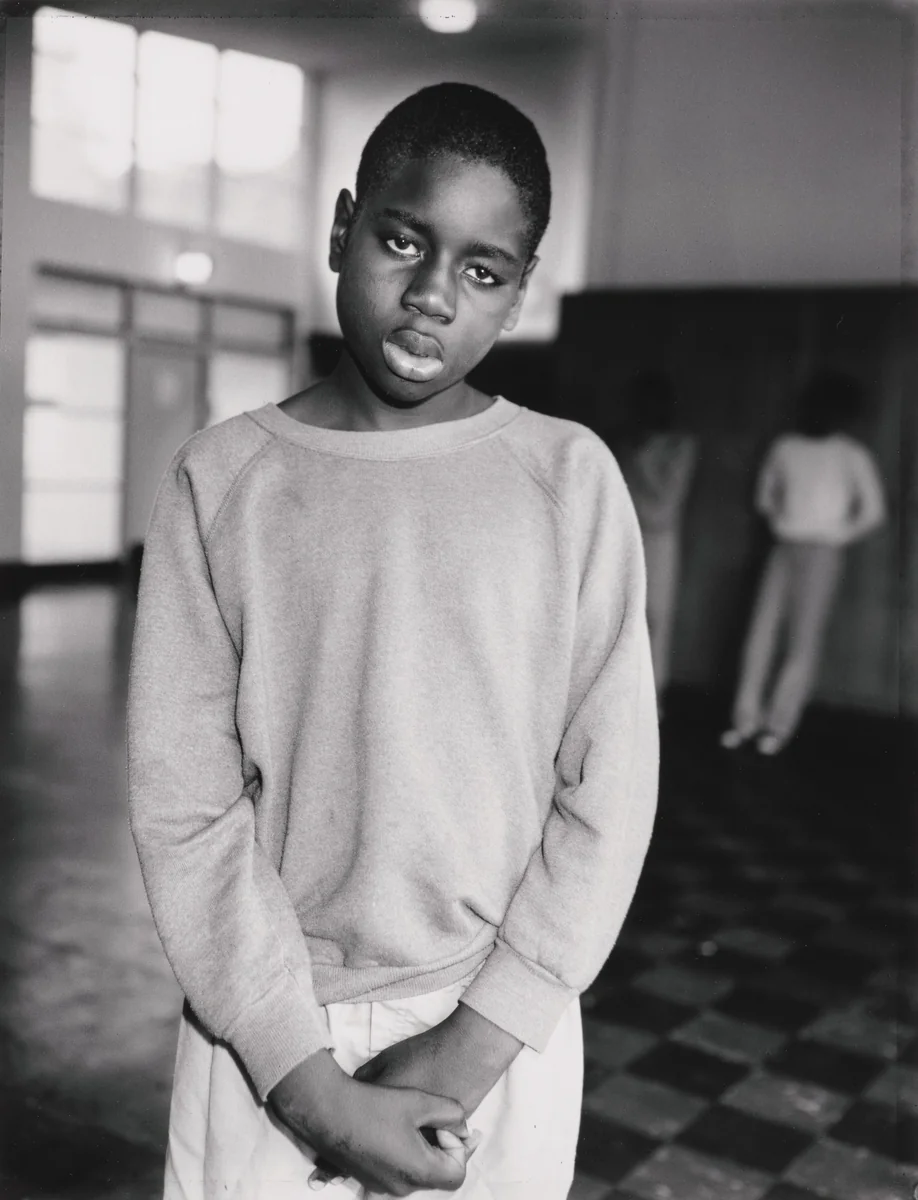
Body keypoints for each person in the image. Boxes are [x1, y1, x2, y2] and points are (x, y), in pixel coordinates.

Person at [128, 82, 658, 1200]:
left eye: (481, 270)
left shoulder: (567, 481)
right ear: (341, 227)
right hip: (263, 1025)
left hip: (496, 1024)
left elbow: (610, 795)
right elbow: (185, 805)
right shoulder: (223, 481)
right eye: (403, 240)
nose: (429, 298)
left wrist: (474, 1045)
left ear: (519, 293)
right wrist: (305, 1084)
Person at [720, 369, 886, 756]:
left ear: (844, 414)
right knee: (760, 632)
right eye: (817, 406)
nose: (823, 414)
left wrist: (833, 536)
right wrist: (782, 523)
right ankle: (745, 721)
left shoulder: (851, 454)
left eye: (833, 409)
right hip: (784, 548)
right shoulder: (786, 447)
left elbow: (873, 511)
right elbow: (764, 496)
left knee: (802, 641)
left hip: (823, 555)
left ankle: (778, 726)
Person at [614, 371, 697, 709]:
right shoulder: (623, 441)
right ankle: (618, 693)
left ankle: (652, 695)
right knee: (619, 614)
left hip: (659, 538)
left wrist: (645, 453)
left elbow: (667, 500)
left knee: (656, 617)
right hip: (622, 535)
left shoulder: (680, 445)